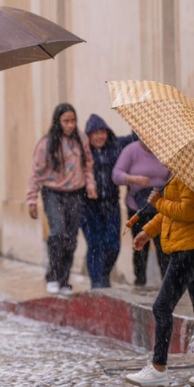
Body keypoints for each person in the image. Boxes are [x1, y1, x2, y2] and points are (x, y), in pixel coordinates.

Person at [124, 177, 194, 387]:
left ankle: (158, 369)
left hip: (189, 252)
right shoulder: (179, 174)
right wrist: (147, 232)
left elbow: (188, 212)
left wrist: (158, 203)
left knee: (162, 307)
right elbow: (170, 215)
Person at [26, 103, 97, 295]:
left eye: (73, 120)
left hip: (76, 193)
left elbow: (88, 165)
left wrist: (90, 186)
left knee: (71, 238)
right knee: (57, 232)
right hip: (52, 193)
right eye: (66, 121)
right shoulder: (47, 144)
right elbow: (36, 173)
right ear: (58, 121)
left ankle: (64, 280)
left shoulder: (81, 139)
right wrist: (31, 200)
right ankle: (52, 276)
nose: (70, 125)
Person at [80, 114, 137, 288]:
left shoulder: (116, 145)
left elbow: (134, 138)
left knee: (113, 245)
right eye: (94, 133)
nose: (99, 137)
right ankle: (98, 282)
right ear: (88, 135)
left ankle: (103, 274)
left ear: (107, 132)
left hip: (111, 204)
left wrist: (137, 121)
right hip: (88, 206)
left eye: (102, 132)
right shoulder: (82, 152)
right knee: (95, 244)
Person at [112, 139, 171, 286]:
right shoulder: (131, 151)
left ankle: (168, 284)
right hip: (138, 207)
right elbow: (116, 175)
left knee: (163, 246)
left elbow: (172, 175)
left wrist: (166, 188)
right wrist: (133, 179)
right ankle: (140, 282)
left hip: (161, 206)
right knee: (140, 246)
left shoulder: (166, 152)